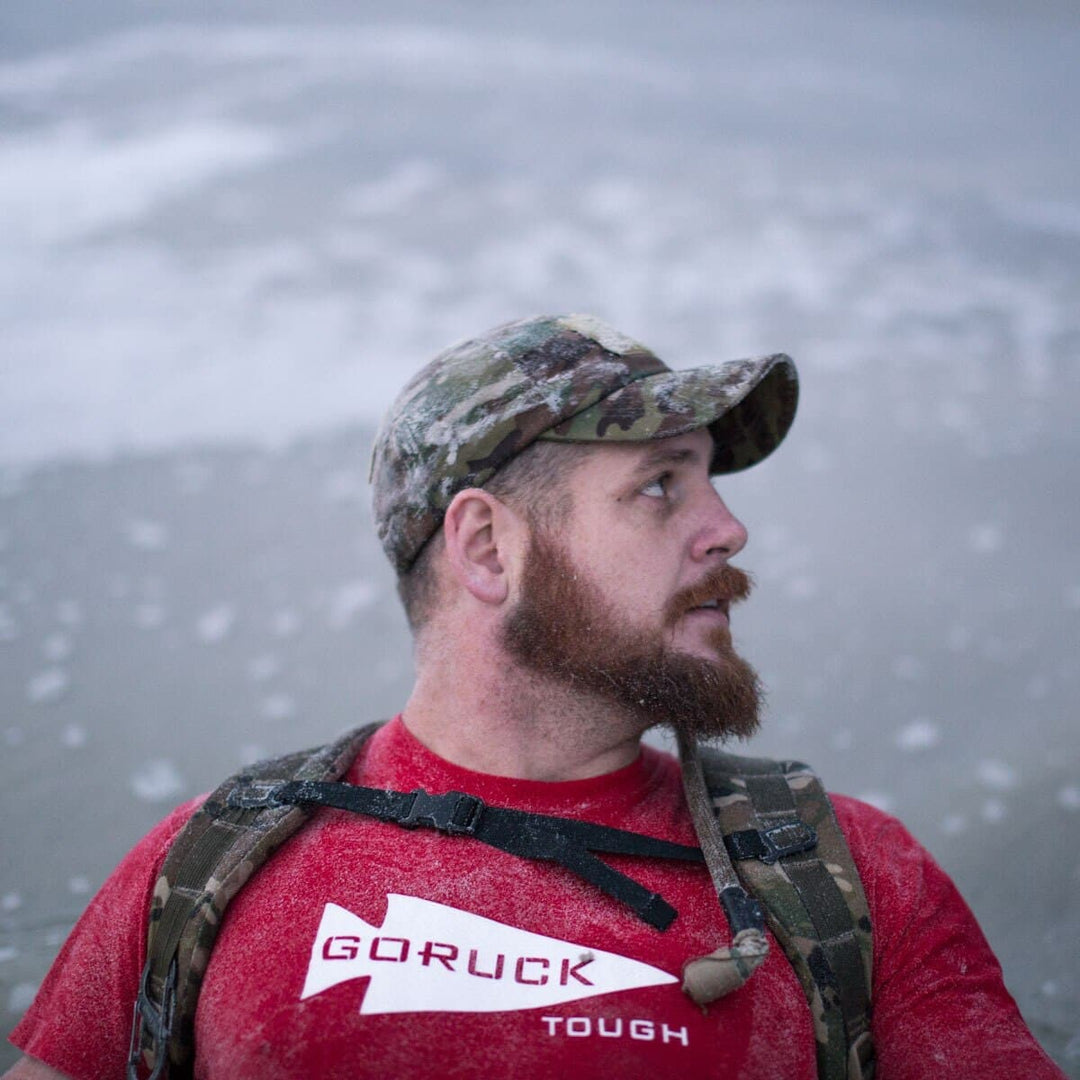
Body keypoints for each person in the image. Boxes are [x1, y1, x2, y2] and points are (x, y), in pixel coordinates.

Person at [5, 315, 1064, 1079]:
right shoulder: (211, 866)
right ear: (487, 546)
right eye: (661, 485)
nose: (728, 528)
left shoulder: (842, 876)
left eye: (712, 479)